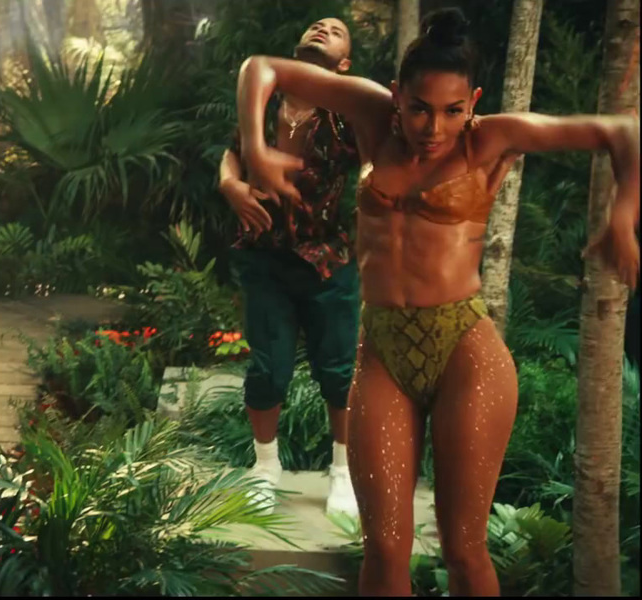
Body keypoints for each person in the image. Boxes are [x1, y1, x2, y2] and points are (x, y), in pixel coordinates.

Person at [234, 7, 639, 595]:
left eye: (453, 110)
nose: (433, 127)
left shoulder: (490, 139)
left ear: (473, 100)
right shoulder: (372, 116)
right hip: (384, 350)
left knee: (463, 550)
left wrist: (624, 217)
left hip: (464, 351)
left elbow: (622, 132)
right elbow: (260, 69)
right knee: (385, 551)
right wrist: (254, 147)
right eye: (420, 108)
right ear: (397, 95)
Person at [217, 17, 363, 519]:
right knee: (268, 368)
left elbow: (375, 165)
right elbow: (233, 153)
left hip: (329, 261)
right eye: (316, 24)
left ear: (344, 63)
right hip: (266, 257)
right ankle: (265, 468)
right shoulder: (266, 101)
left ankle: (341, 472)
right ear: (295, 44)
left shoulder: (345, 114)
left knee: (340, 371)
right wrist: (231, 185)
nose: (323, 27)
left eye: (336, 29)